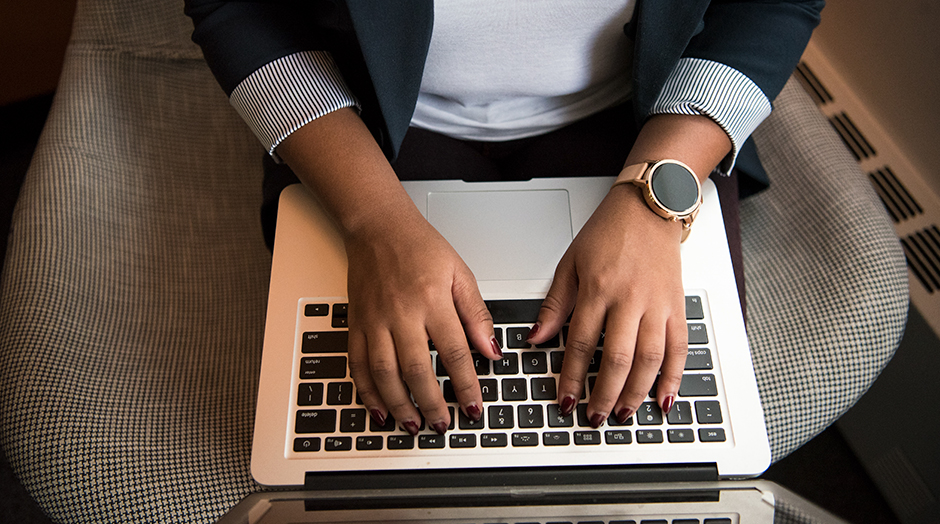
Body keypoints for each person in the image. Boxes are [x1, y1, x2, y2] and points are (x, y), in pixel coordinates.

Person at [186, 0, 824, 438]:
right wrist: (375, 220)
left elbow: (768, 5)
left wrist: (653, 201)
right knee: (380, 416)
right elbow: (238, 9)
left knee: (654, 425)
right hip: (365, 112)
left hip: (650, 105)